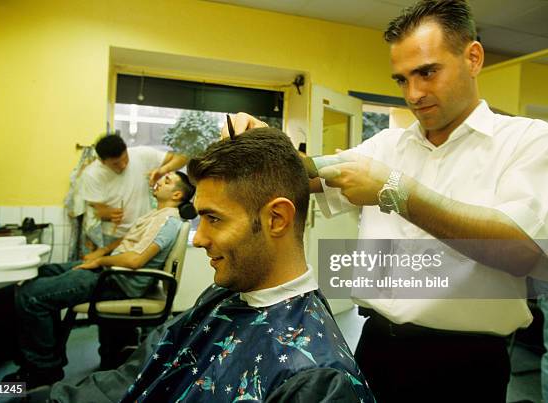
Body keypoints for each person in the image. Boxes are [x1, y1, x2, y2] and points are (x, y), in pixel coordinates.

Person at [223, 1, 548, 401]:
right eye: (402, 80)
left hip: (466, 364)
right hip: (377, 348)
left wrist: (395, 193)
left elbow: (523, 251)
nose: (414, 94)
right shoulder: (388, 145)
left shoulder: (529, 142)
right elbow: (308, 171)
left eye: (427, 72)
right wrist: (264, 140)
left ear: (472, 57)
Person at [43, 128, 374, 402]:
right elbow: (132, 378)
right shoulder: (221, 295)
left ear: (276, 219)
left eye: (213, 218)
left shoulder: (315, 382)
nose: (198, 238)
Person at [3, 171, 196, 388]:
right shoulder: (155, 215)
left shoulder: (167, 221)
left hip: (117, 280)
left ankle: (42, 371)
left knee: (32, 296)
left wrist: (99, 261)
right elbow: (127, 241)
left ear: (178, 194)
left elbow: (134, 260)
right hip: (111, 270)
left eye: (167, 181)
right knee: (42, 272)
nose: (160, 181)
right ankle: (45, 357)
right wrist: (102, 252)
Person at [81, 134, 188, 245]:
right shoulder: (91, 175)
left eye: (125, 158)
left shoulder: (141, 154)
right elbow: (98, 210)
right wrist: (108, 213)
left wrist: (162, 170)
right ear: (102, 161)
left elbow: (182, 158)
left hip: (142, 232)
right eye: (116, 163)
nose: (123, 165)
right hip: (113, 236)